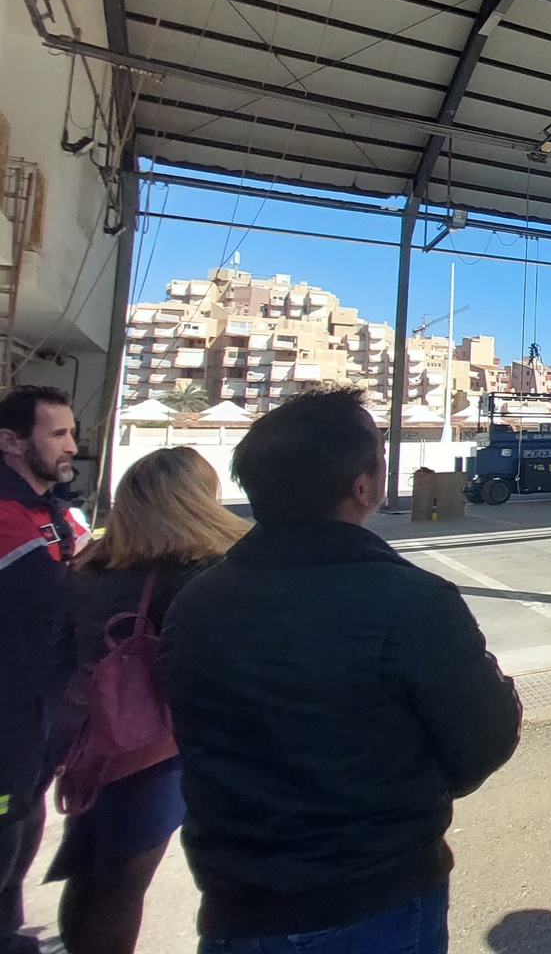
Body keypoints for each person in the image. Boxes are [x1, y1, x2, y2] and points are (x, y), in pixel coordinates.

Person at [161, 387, 522, 954]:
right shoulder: (412, 602)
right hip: (373, 900)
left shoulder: (195, 601)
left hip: (232, 908)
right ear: (362, 487)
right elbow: (484, 742)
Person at [47, 447, 246, 954]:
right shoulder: (195, 574)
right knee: (122, 880)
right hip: (152, 746)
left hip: (87, 737)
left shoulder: (92, 563)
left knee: (91, 869)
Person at [0, 386, 90, 954]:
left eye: (72, 432)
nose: (72, 447)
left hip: (38, 724)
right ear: (10, 442)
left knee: (18, 848)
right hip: (7, 717)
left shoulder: (60, 515)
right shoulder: (7, 518)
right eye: (57, 434)